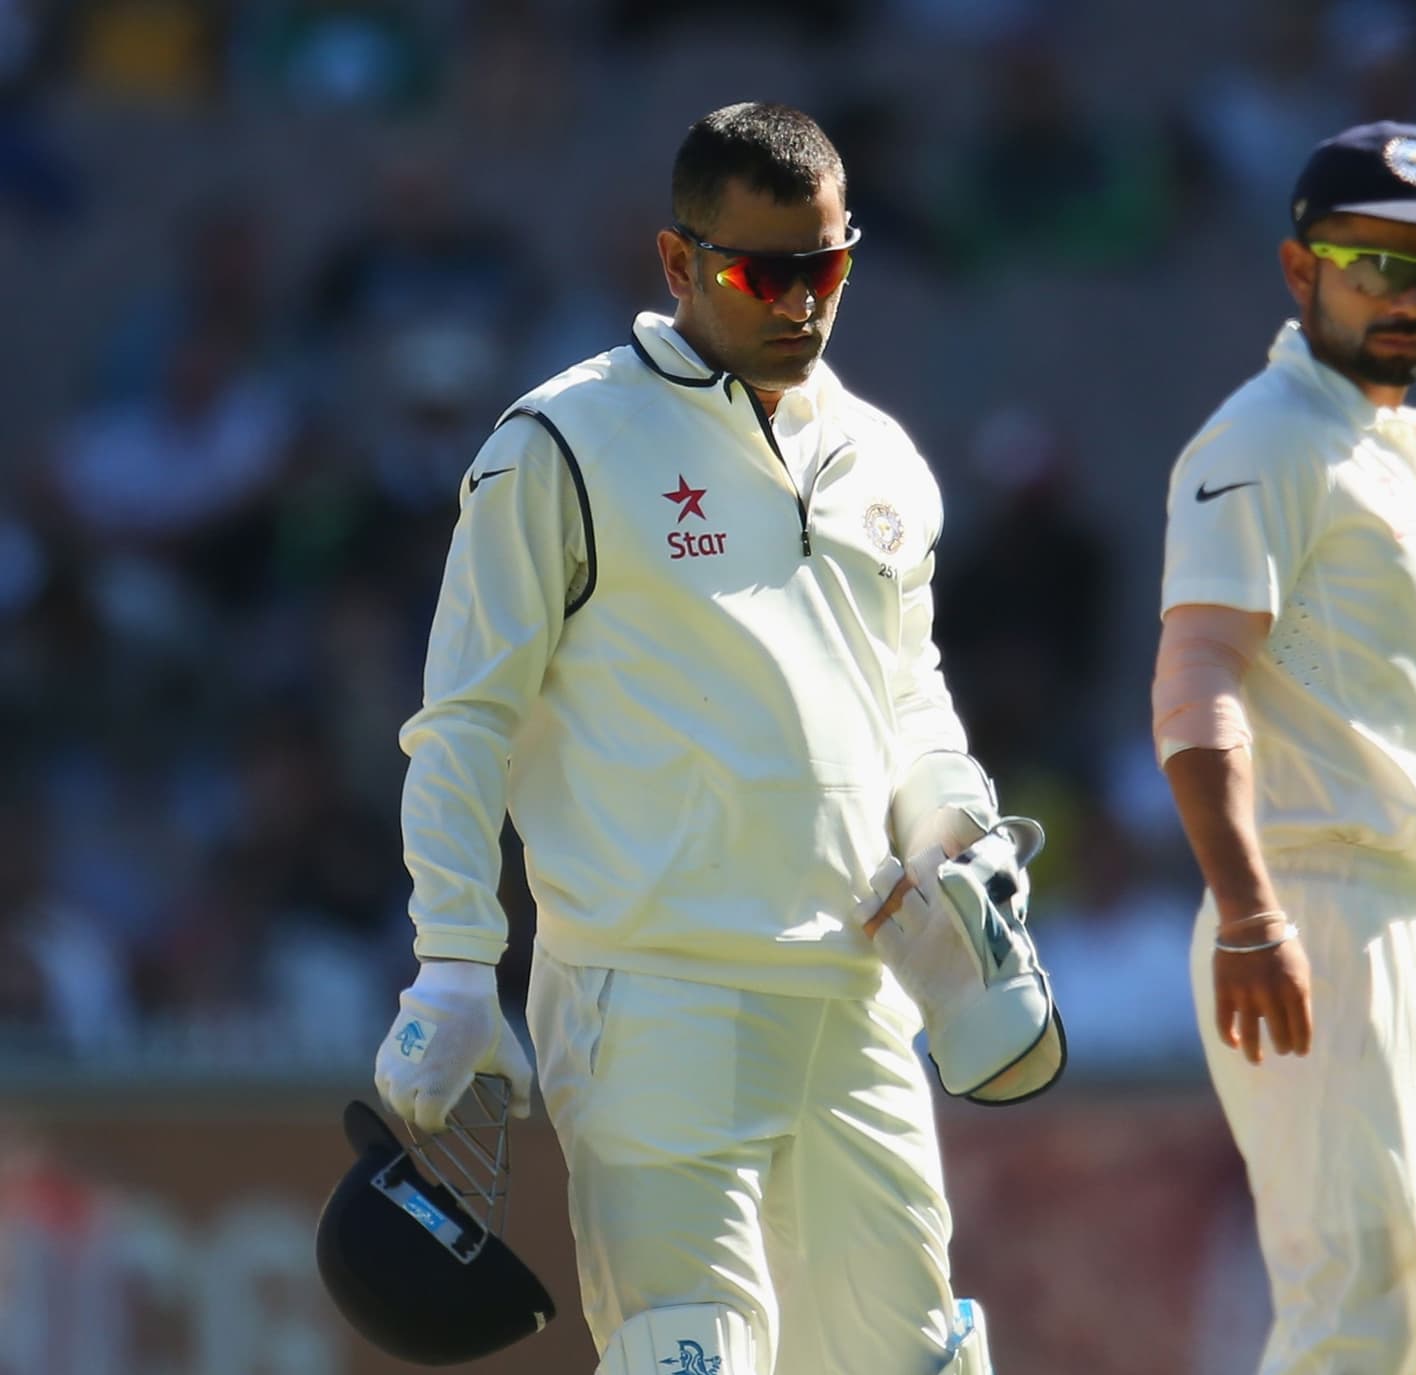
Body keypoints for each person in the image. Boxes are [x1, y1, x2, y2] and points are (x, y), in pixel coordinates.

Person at [369, 102, 1050, 1375]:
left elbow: (908, 694)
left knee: (918, 1363)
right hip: (650, 992)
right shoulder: (561, 445)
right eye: (762, 272)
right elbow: (463, 717)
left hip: (855, 1002)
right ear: (678, 264)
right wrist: (456, 957)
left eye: (827, 268)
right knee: (694, 1357)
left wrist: (955, 829)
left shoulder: (883, 459)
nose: (801, 303)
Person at [1151, 121, 1416, 1373]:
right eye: (1372, 261)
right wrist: (1251, 913)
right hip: (1313, 909)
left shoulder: (1375, 442)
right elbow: (1193, 684)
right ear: (1300, 272)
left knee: (1389, 1323)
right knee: (1358, 1313)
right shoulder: (1268, 438)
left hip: (1391, 910)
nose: (1406, 296)